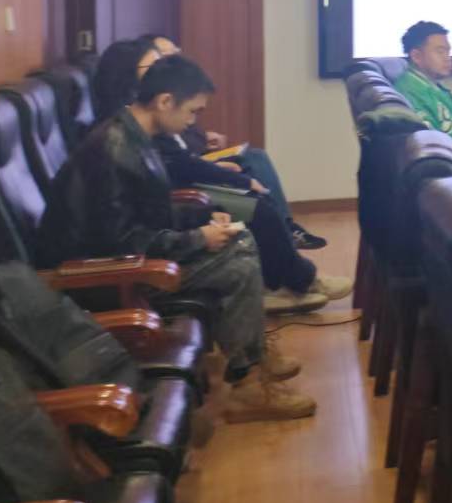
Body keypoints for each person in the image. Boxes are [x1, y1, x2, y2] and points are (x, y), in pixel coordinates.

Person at [37, 56, 314, 422]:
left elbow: (150, 213)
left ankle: (251, 363)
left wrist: (203, 218)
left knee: (238, 242)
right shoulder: (114, 152)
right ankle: (248, 379)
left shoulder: (133, 135)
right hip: (104, 278)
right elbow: (124, 243)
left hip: (124, 260)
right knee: (239, 255)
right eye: (192, 111)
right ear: (165, 101)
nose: (193, 122)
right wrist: (197, 239)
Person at [130, 41, 350, 311]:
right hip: (187, 196)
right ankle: (294, 281)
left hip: (187, 194)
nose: (191, 120)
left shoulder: (144, 128)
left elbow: (176, 171)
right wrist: (201, 232)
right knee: (256, 212)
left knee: (256, 187)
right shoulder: (127, 142)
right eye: (155, 61)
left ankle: (289, 277)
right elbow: (135, 232)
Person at [131, 33, 327, 251]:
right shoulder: (139, 129)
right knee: (257, 207)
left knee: (255, 161)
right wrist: (201, 233)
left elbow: (188, 144)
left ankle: (286, 229)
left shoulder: (153, 118)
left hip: (196, 167)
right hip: (189, 187)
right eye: (159, 61)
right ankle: (287, 243)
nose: (167, 64)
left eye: (173, 55)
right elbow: (179, 166)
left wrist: (206, 142)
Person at [393, 21, 452, 156]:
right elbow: (431, 146)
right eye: (440, 52)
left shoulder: (435, 88)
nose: (448, 58)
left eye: (448, 52)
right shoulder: (410, 92)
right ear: (416, 56)